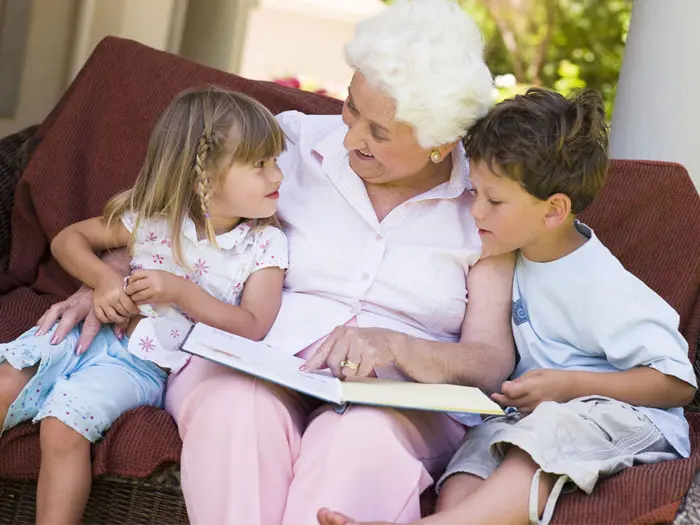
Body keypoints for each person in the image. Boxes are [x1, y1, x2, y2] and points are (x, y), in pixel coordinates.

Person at [33, 1, 517, 523]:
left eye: (379, 133)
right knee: (234, 409)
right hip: (254, 353)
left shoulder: (485, 201)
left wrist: (400, 345)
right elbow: (187, 217)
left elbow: (491, 359)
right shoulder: (291, 143)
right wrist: (109, 279)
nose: (351, 137)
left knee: (358, 441)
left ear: (441, 143)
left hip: (397, 397)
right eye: (351, 107)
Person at [316, 88, 697, 525]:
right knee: (471, 460)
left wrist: (568, 386)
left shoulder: (599, 283)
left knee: (543, 436)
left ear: (554, 210)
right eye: (475, 191)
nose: (474, 210)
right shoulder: (510, 254)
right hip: (530, 415)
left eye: (493, 201)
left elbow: (675, 384)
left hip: (623, 417)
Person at [0, 87, 288, 525]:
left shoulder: (263, 245)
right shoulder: (155, 220)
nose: (277, 177)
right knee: (2, 385)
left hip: (141, 365)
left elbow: (253, 325)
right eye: (260, 165)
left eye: (275, 162)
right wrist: (104, 280)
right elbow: (68, 239)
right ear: (203, 180)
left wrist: (183, 293)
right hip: (82, 334)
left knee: (64, 425)